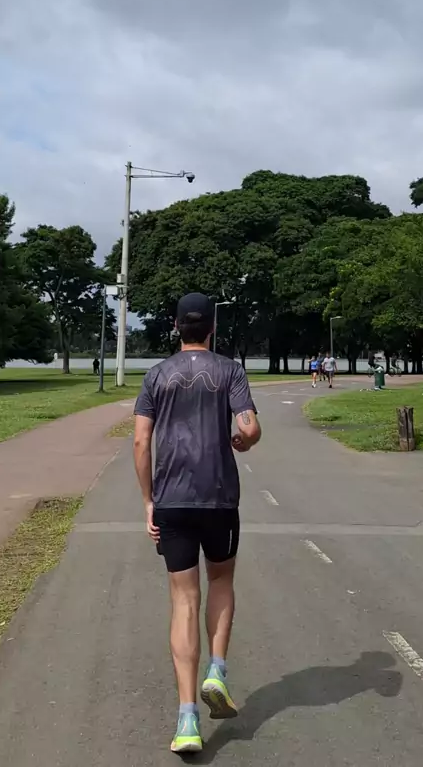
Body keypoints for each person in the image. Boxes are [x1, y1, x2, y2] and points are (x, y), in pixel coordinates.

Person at [133, 293, 262, 754]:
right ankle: (217, 671)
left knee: (184, 599)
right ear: (211, 327)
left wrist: (149, 501)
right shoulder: (230, 371)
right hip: (220, 498)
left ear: (175, 327)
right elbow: (249, 428)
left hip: (172, 500)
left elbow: (141, 442)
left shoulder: (156, 375)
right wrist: (242, 442)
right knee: (221, 581)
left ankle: (187, 720)